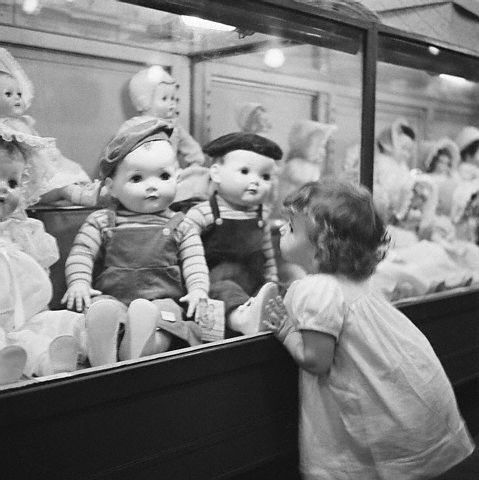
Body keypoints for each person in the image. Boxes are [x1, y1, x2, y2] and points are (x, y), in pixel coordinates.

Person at [263, 180, 474, 479]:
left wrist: (286, 331)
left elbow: (316, 359)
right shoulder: (353, 281)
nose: (283, 230)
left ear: (321, 244)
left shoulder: (316, 288)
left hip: (364, 412)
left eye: (292, 227)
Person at [62, 119, 209, 366]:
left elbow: (195, 261)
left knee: (166, 320)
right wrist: (79, 282)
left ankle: (145, 346)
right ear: (112, 188)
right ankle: (104, 351)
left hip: (163, 299)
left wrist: (198, 290)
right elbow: (82, 253)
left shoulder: (181, 224)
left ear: (177, 179)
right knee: (100, 311)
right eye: (137, 178)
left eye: (163, 176)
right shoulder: (103, 221)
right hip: (113, 297)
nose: (152, 186)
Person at [0, 131, 84, 384]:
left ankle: (59, 361)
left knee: (55, 325)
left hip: (25, 317)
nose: (4, 190)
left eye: (12, 183)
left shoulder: (23, 229)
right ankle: (7, 369)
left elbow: (40, 267)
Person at [186, 132, 281, 336]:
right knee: (225, 291)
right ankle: (242, 320)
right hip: (214, 287)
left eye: (265, 176)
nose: (256, 181)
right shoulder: (202, 213)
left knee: (282, 290)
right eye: (245, 171)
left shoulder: (261, 215)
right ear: (216, 173)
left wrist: (272, 280)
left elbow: (267, 254)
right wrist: (196, 287)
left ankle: (280, 317)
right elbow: (186, 253)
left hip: (254, 283)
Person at [0, 47, 92, 205]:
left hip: (38, 169)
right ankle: (77, 194)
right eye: (8, 94)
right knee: (56, 186)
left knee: (63, 180)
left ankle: (80, 193)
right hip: (21, 175)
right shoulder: (5, 127)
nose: (17, 98)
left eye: (19, 94)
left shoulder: (22, 123)